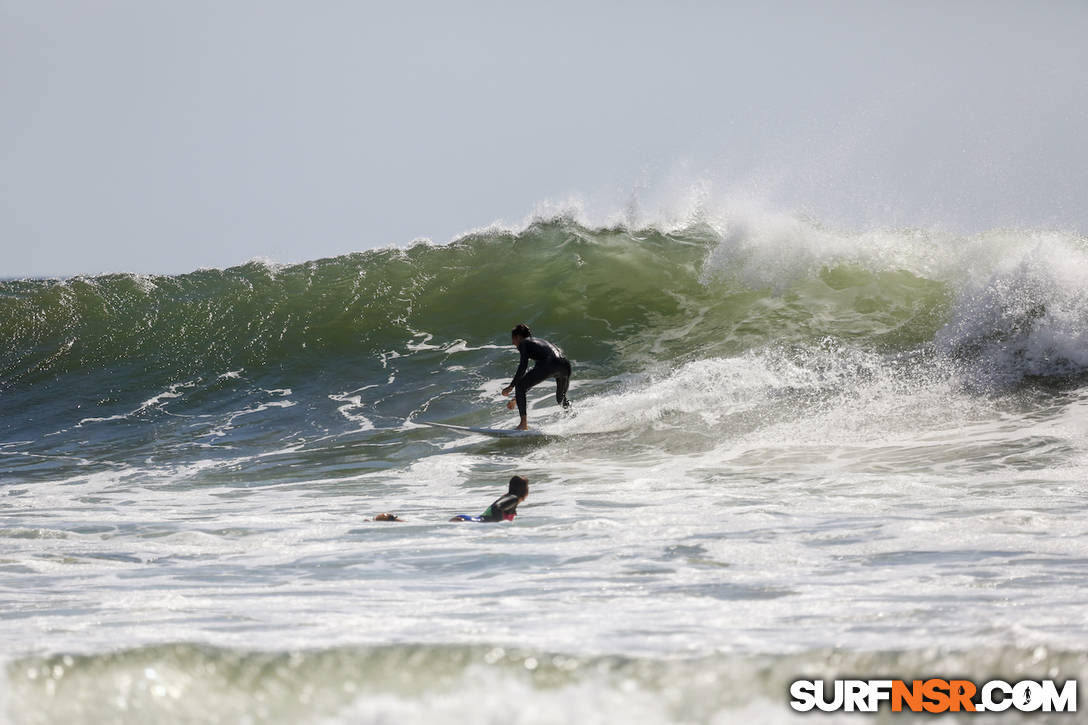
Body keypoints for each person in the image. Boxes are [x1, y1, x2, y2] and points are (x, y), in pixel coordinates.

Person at [500, 323, 571, 430]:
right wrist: (516, 398)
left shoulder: (524, 343)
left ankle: (523, 425)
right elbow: (532, 379)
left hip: (550, 364)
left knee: (519, 386)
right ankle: (573, 414)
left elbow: (523, 366)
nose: (513, 343)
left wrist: (511, 386)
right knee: (561, 399)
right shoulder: (539, 344)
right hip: (565, 365)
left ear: (518, 337)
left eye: (513, 339)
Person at [449, 475, 529, 523]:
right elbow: (497, 507)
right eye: (527, 486)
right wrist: (498, 526)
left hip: (468, 520)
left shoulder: (510, 498)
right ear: (523, 489)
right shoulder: (513, 498)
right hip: (468, 521)